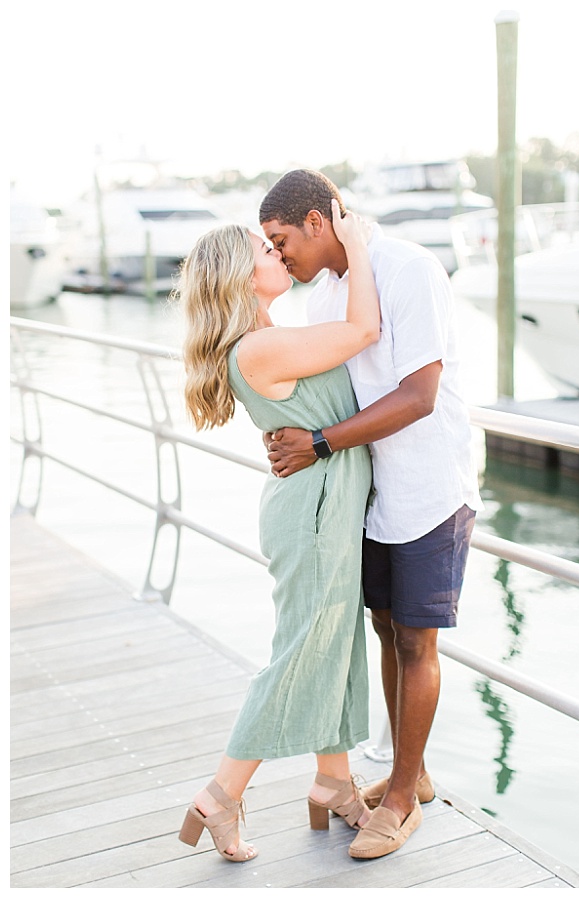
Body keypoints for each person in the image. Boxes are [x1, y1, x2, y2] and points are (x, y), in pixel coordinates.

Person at [258, 169, 483, 861]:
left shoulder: (408, 269)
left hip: (427, 488)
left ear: (319, 223)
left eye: (282, 239)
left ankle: (399, 800)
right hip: (370, 492)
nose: (280, 254)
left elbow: (418, 394)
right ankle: (408, 773)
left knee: (416, 642)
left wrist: (320, 443)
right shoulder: (327, 290)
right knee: (385, 628)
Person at [175, 201, 380, 862]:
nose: (278, 255)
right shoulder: (261, 347)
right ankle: (221, 797)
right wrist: (357, 243)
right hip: (315, 512)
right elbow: (366, 328)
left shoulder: (269, 336)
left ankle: (334, 783)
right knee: (301, 652)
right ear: (241, 275)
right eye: (265, 251)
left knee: (332, 644)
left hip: (322, 505)